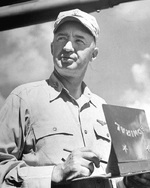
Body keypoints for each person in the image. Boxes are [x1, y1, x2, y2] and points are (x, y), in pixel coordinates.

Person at [0, 8, 150, 188]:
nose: (67, 47)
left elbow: (108, 178)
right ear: (52, 47)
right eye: (61, 38)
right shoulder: (23, 98)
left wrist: (128, 182)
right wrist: (55, 172)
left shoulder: (103, 109)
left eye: (79, 40)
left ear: (93, 54)